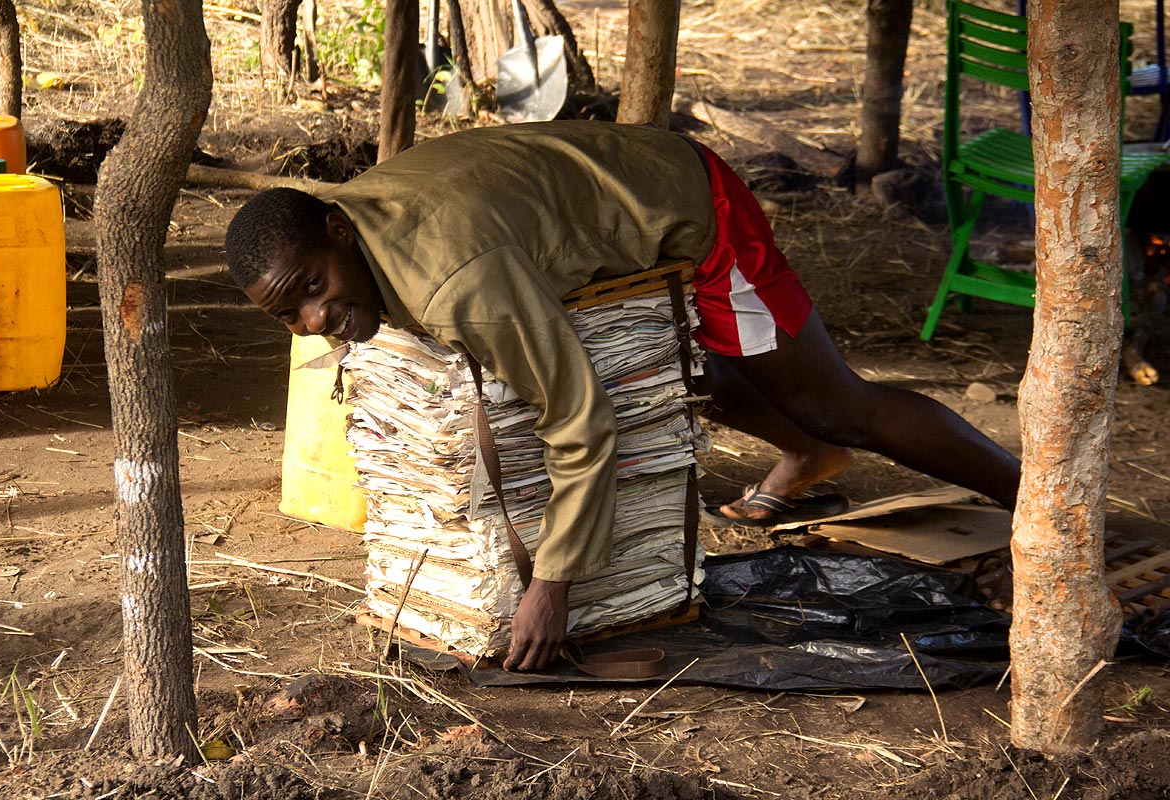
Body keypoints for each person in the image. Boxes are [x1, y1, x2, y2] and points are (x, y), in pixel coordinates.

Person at [224, 120, 1021, 672]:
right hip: (598, 192)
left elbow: (578, 420)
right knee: (673, 371)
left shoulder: (457, 288)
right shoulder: (358, 231)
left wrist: (552, 587)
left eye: (315, 292)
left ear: (336, 232)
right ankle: (810, 454)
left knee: (832, 399)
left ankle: (1034, 496)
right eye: (288, 314)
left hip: (691, 208)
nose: (315, 321)